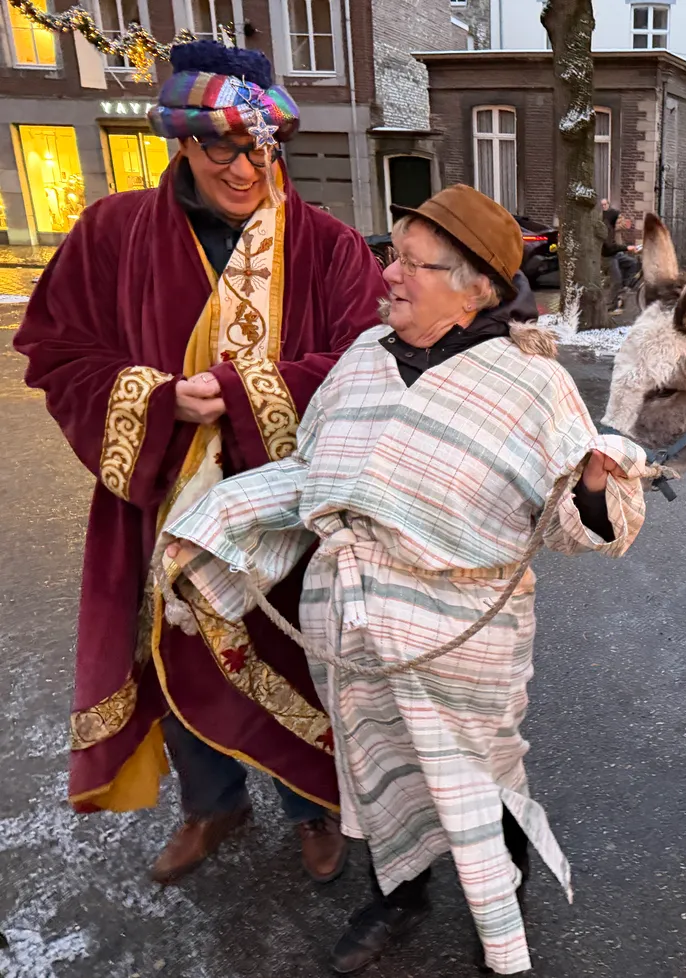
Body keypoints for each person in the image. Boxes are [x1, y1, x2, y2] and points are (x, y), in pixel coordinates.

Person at [160, 185, 655, 975]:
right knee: (376, 767)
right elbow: (314, 476)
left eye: (411, 264)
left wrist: (595, 488)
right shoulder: (362, 358)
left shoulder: (531, 385)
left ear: (475, 289)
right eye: (391, 255)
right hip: (351, 629)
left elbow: (573, 525)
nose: (387, 274)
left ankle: (504, 896)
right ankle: (399, 894)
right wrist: (215, 525)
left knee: (483, 773)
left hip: (462, 640)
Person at [14, 41, 386, 885]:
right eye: (224, 146)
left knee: (295, 652)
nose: (248, 167)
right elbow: (54, 348)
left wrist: (247, 389)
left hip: (281, 507)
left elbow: (369, 362)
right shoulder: (111, 233)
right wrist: (151, 397)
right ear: (181, 143)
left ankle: (312, 806)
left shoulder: (325, 245)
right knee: (171, 642)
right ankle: (211, 805)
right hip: (159, 497)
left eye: (262, 147)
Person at [601, 199, 638, 311]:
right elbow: (610, 247)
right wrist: (628, 248)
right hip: (607, 256)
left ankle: (623, 290)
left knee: (633, 263)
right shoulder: (605, 229)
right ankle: (608, 306)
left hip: (616, 253)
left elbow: (624, 225)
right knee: (616, 280)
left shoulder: (612, 225)